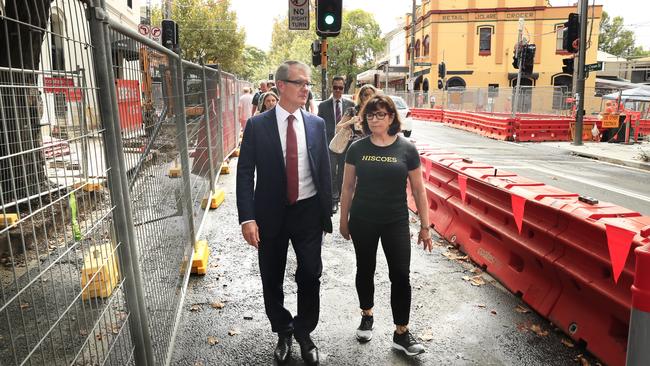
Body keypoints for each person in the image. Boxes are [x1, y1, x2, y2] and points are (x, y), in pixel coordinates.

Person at [236, 60, 332, 366]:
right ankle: (282, 330)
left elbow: (324, 169)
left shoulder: (316, 124)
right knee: (271, 276)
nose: (306, 88)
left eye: (308, 84)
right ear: (281, 86)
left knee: (310, 274)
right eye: (300, 83)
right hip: (270, 213)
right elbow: (244, 173)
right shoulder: (257, 125)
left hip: (307, 212)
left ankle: (304, 332)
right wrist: (247, 217)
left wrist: (327, 211)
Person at [339, 94, 433, 356]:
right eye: (370, 114)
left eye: (380, 114)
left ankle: (401, 333)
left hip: (396, 221)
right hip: (363, 219)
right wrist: (343, 220)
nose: (374, 119)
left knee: (401, 275)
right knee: (365, 269)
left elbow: (419, 190)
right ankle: (366, 314)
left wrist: (425, 227)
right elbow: (347, 187)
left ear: (392, 117)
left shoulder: (407, 149)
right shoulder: (357, 149)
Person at [317, 76, 354, 213]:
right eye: (335, 87)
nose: (338, 90)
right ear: (331, 88)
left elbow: (354, 125)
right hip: (329, 144)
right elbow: (319, 126)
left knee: (343, 173)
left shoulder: (350, 105)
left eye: (341, 87)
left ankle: (339, 198)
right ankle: (333, 200)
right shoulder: (323, 105)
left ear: (344, 88)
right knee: (331, 171)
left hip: (345, 144)